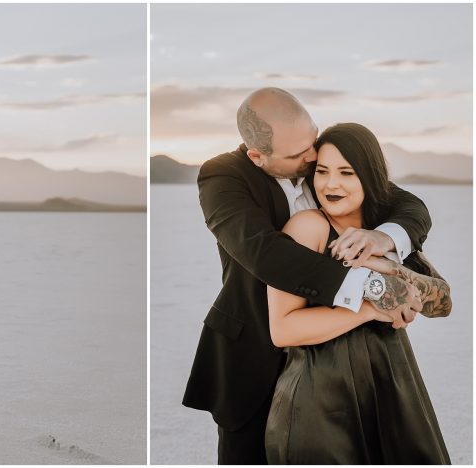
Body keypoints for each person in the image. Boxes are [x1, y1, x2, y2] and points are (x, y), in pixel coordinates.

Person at [182, 88, 435, 464]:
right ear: (258, 157)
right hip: (253, 352)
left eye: (312, 140)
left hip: (332, 361)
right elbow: (263, 253)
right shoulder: (223, 177)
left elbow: (408, 205)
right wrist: (370, 292)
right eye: (298, 155)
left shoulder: (324, 169)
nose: (313, 156)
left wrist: (385, 235)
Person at [264, 123, 451, 464]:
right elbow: (283, 330)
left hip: (394, 388)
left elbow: (442, 302)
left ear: (370, 177)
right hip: (322, 400)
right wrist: (369, 310)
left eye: (346, 173)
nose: (330, 184)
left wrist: (387, 264)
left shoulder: (383, 232)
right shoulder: (308, 227)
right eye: (322, 172)